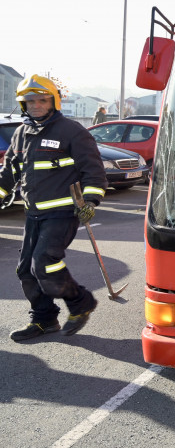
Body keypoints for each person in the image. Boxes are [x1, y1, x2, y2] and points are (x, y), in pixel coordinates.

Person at [0, 75, 108, 342]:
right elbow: (9, 172)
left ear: (54, 100)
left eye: (42, 100)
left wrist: (91, 202)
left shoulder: (72, 131)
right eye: (30, 101)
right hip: (33, 214)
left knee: (45, 265)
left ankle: (80, 302)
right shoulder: (21, 134)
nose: (36, 105)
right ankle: (44, 320)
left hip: (62, 213)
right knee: (26, 270)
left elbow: (94, 172)